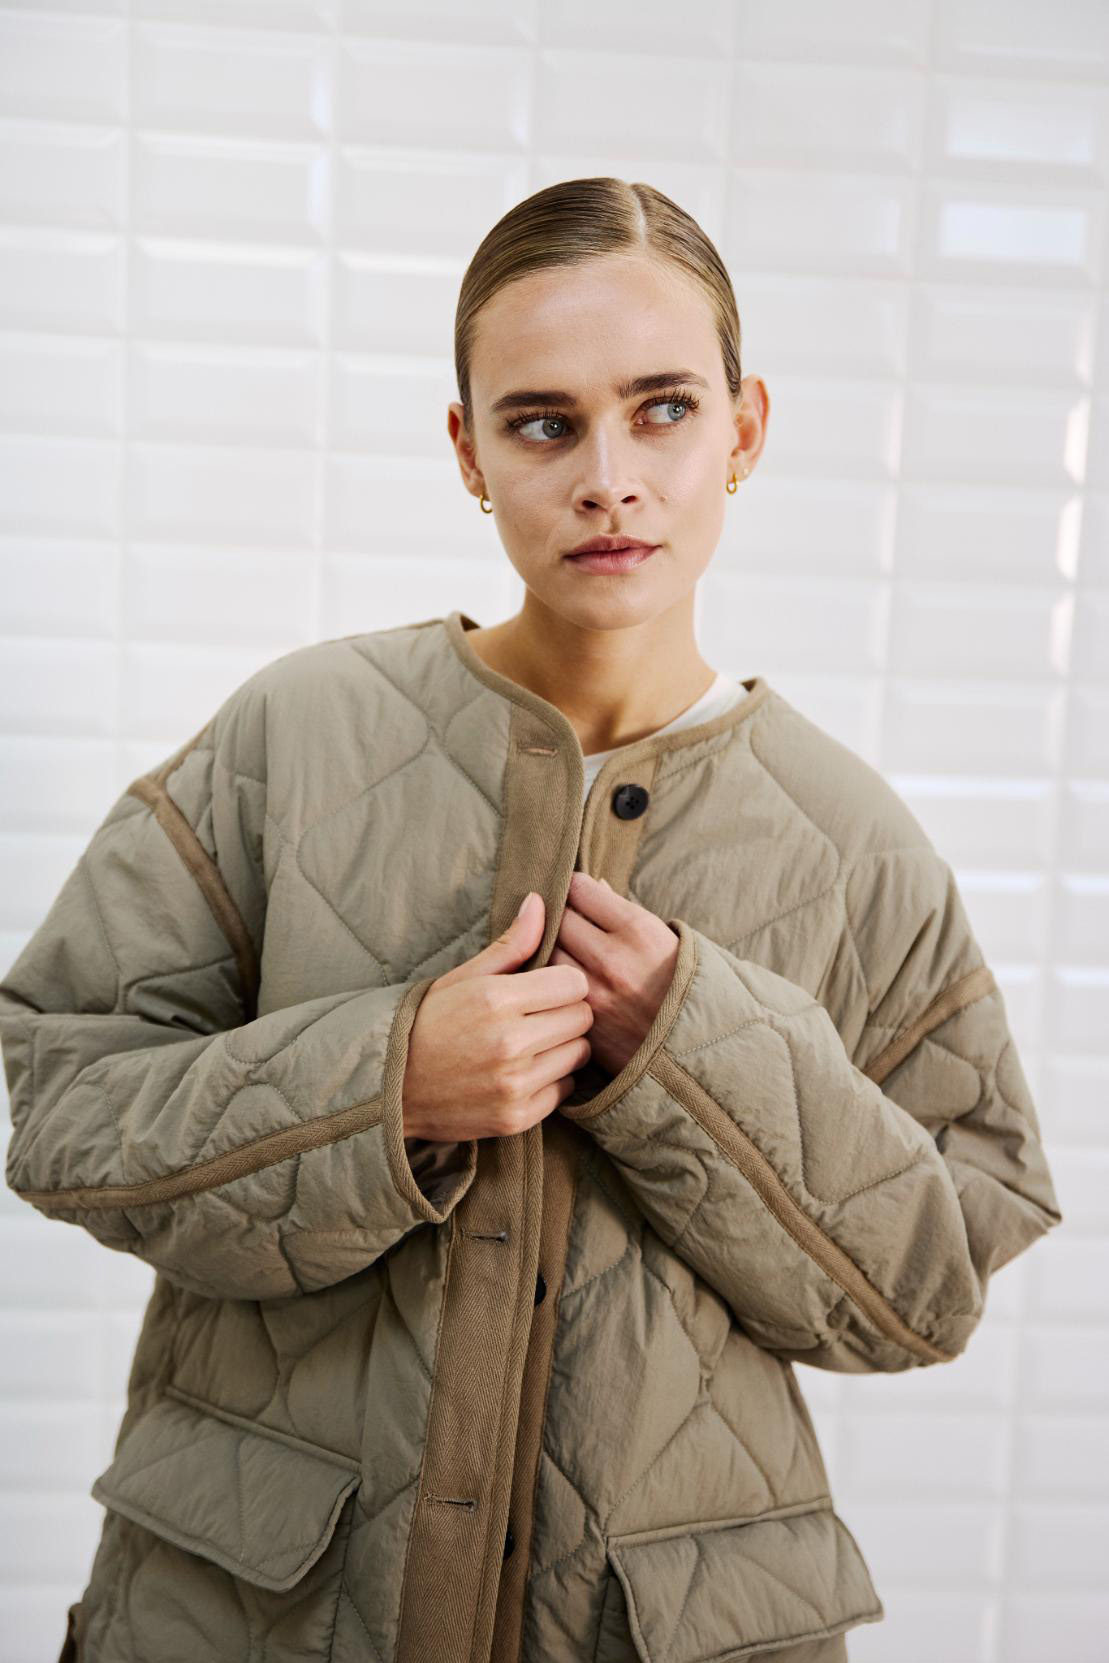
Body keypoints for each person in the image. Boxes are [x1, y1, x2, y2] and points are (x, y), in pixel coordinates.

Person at [0, 177, 1062, 1663]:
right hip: (244, 1617)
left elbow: (921, 1297)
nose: (609, 480)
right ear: (469, 451)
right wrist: (387, 1087)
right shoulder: (292, 736)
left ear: (745, 428)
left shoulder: (854, 844)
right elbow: (58, 1108)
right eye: (544, 424)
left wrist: (694, 1053)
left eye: (663, 410)